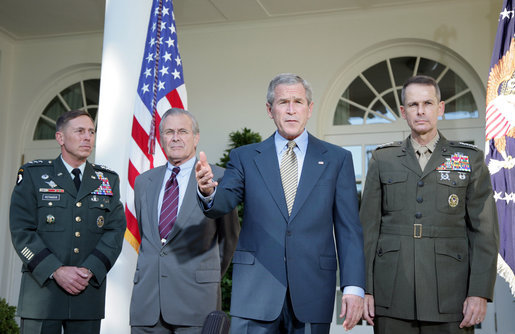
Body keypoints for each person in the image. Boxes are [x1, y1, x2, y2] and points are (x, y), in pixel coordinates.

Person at [196, 73, 366, 333]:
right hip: (256, 293)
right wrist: (208, 191)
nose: (290, 110)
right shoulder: (245, 157)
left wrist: (353, 286)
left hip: (313, 291)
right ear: (269, 109)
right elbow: (223, 202)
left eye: (298, 102)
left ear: (309, 109)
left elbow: (349, 229)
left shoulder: (337, 159)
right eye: (282, 102)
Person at [360, 75, 500, 334]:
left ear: (441, 107)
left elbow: (484, 232)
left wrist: (479, 292)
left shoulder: (468, 159)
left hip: (450, 294)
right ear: (403, 111)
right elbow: (368, 231)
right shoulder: (383, 159)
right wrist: (365, 289)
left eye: (428, 103)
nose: (421, 111)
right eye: (413, 105)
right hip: (391, 292)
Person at [9, 109, 126, 334]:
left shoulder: (107, 180)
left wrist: (90, 269)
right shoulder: (34, 175)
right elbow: (22, 230)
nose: (87, 137)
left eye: (91, 132)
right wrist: (56, 270)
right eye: (80, 131)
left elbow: (115, 229)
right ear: (60, 137)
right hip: (42, 293)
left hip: (87, 292)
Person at [129, 108, 239, 334]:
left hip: (196, 301)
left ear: (196, 137)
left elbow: (230, 238)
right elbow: (148, 236)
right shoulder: (143, 182)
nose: (176, 137)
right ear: (161, 138)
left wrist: (203, 274)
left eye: (183, 131)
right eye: (169, 132)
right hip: (147, 305)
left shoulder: (218, 177)